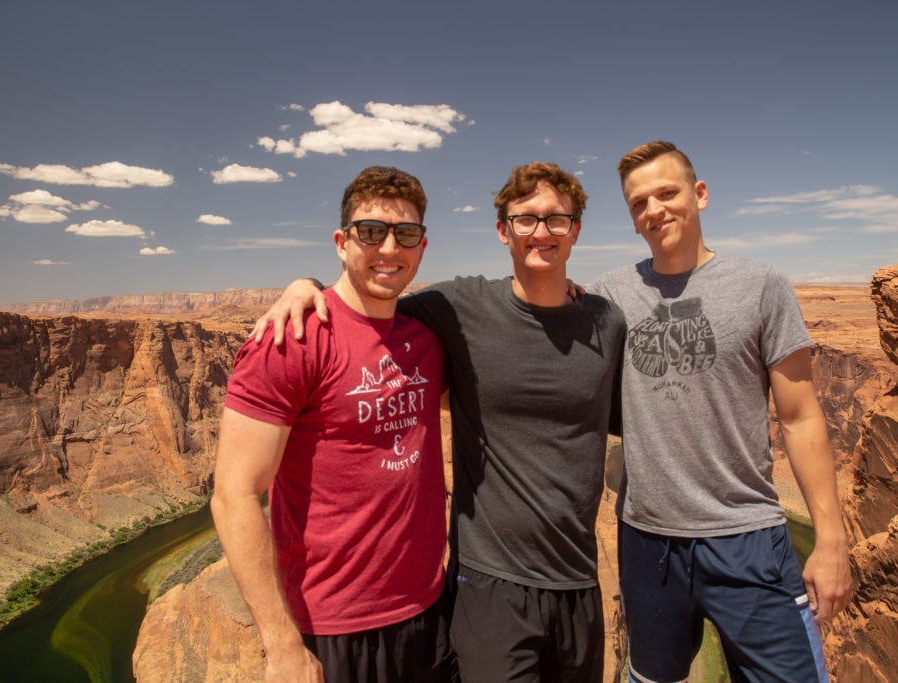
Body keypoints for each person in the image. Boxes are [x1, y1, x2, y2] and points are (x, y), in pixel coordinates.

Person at [254, 162, 625, 682]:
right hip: (488, 584)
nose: (541, 232)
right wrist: (304, 284)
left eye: (557, 220)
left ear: (576, 230)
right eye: (526, 220)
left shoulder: (606, 321)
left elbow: (636, 421)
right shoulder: (457, 307)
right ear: (503, 230)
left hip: (576, 580)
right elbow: (369, 296)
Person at [587, 140, 853, 682]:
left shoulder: (762, 286)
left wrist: (831, 542)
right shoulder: (607, 295)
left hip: (747, 537)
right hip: (646, 540)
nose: (654, 209)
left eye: (667, 192)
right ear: (632, 218)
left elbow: (800, 416)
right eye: (639, 203)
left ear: (699, 194)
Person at [211, 166, 455, 682]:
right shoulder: (291, 339)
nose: (389, 248)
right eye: (371, 232)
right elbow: (233, 494)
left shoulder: (427, 339)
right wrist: (281, 646)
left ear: (422, 248)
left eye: (405, 234)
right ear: (342, 243)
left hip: (430, 610)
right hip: (333, 626)